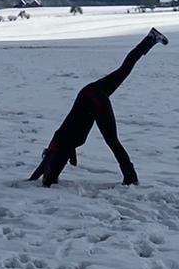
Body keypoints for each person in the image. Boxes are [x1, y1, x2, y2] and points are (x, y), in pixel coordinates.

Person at [29, 27, 167, 187]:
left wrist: (41, 181)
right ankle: (150, 39)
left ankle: (131, 176)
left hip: (93, 98)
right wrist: (34, 179)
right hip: (89, 94)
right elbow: (46, 165)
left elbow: (48, 173)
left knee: (112, 139)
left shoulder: (61, 148)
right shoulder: (58, 145)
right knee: (123, 71)